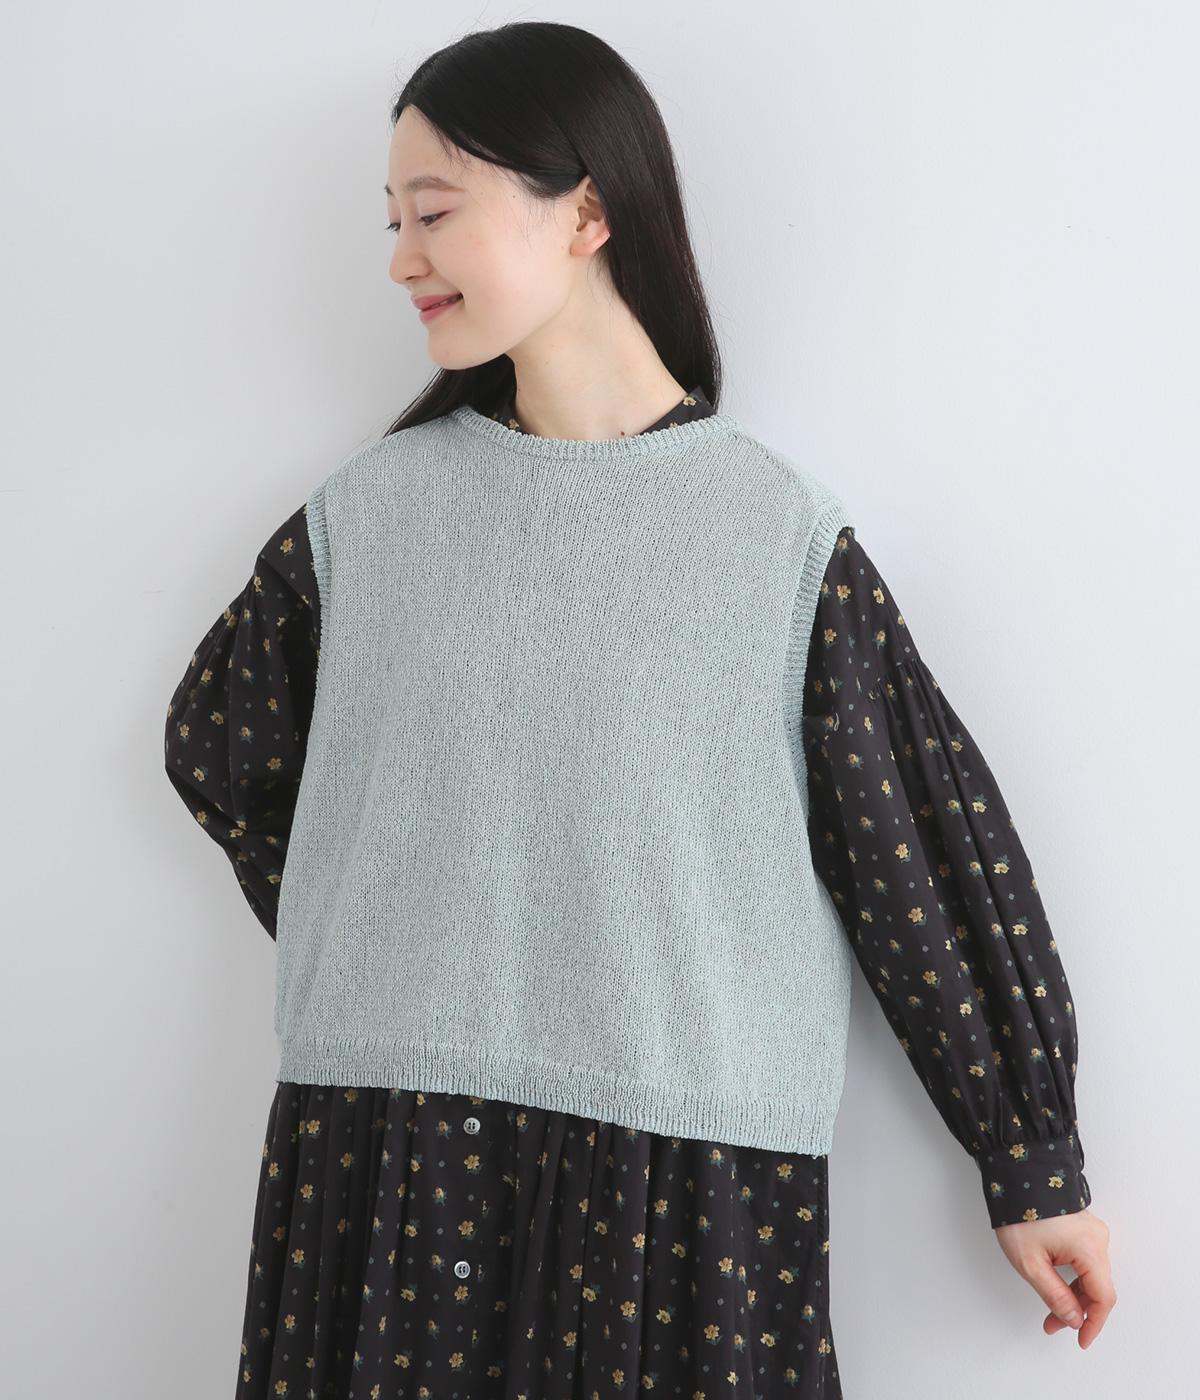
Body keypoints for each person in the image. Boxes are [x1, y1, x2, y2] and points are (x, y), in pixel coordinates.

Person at [163, 21, 1115, 1398]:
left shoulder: (770, 535)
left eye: (435, 211)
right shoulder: (370, 518)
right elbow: (221, 751)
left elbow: (912, 846)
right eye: (392, 221)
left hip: (680, 1190)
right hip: (391, 1160)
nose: (401, 259)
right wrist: (390, 931)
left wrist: (1030, 1160)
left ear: (588, 212)